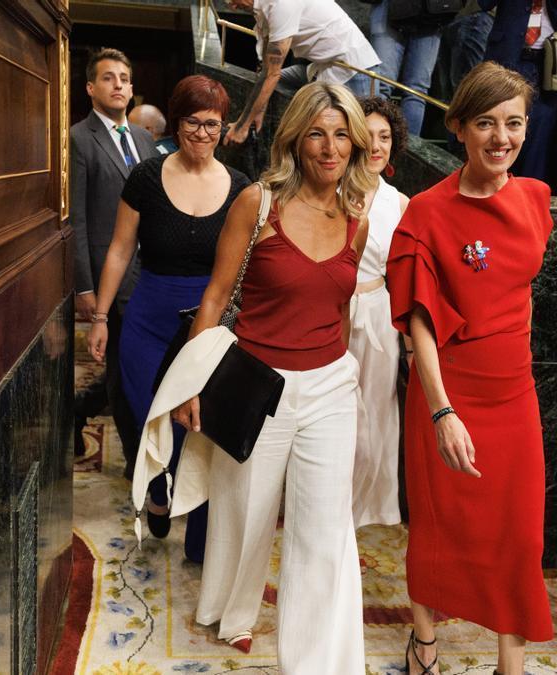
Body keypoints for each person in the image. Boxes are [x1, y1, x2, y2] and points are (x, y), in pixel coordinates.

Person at [172, 82, 376, 669]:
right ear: (295, 138)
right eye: (317, 132)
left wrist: (341, 373)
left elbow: (337, 307)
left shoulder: (357, 220)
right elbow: (214, 297)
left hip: (331, 387)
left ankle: (312, 662)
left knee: (322, 532)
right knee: (246, 510)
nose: (330, 147)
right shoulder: (257, 203)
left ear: (356, 146)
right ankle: (230, 610)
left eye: (342, 135)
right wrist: (192, 384)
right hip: (259, 383)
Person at [385, 61, 553, 675]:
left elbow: (519, 293)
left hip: (515, 391)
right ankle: (425, 638)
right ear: (458, 127)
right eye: (486, 123)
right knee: (440, 524)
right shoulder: (427, 212)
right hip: (448, 392)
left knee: (519, 533)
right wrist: (441, 410)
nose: (501, 138)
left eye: (513, 124)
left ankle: (510, 657)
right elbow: (419, 324)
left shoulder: (537, 200)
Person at [87, 75, 248, 562]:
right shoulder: (145, 178)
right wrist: (100, 316)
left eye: (213, 125)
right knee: (148, 413)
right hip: (148, 320)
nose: (202, 134)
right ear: (176, 125)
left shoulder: (240, 188)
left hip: (208, 324)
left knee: (199, 429)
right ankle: (158, 488)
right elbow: (119, 250)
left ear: (224, 129)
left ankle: (200, 537)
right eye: (193, 123)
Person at [71, 48, 156, 476]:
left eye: (124, 77)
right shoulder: (79, 139)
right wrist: (84, 287)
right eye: (108, 78)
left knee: (145, 369)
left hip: (153, 275)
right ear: (91, 88)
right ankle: (135, 462)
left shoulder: (143, 138)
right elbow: (78, 219)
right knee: (122, 375)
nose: (119, 84)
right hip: (111, 278)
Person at [350, 96, 410, 529]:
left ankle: (362, 509)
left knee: (376, 416)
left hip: (379, 317)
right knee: (336, 417)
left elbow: (406, 276)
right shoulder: (330, 191)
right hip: (329, 315)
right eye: (368, 135)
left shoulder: (401, 204)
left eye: (385, 137)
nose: (376, 145)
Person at [222, 0, 380, 146]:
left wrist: (242, 126)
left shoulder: (280, 4)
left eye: (232, 0)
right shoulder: (262, 8)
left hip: (353, 69)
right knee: (279, 82)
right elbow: (266, 67)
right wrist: (259, 111)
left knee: (360, 141)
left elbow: (271, 73)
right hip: (322, 66)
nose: (232, 6)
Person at [479, 0, 557, 180]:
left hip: (547, 63)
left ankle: (527, 196)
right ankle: (492, 187)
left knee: (538, 140)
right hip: (507, 56)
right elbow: (484, 4)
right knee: (500, 129)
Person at [369, 2, 442, 136]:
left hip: (429, 14)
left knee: (389, 87)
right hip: (425, 12)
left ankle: (406, 152)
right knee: (412, 91)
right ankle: (375, 144)